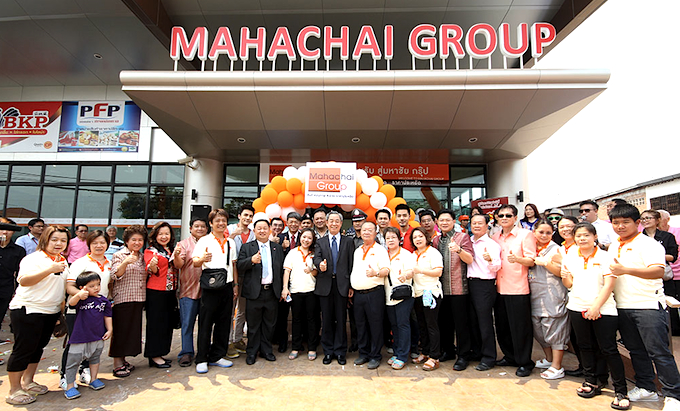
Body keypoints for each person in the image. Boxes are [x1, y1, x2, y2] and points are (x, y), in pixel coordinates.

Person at [608, 204, 680, 410]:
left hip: (647, 306)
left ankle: (673, 395)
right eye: (616, 223)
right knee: (636, 350)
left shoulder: (649, 244)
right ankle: (646, 387)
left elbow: (658, 271)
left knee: (659, 352)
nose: (620, 226)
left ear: (637, 223)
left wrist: (625, 270)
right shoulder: (614, 245)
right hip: (622, 305)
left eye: (625, 222)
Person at [562, 222, 629, 410]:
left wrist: (596, 307)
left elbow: (609, 284)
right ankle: (591, 381)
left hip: (603, 309)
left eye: (586, 235)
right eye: (578, 236)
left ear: (595, 237)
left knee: (608, 349)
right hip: (576, 306)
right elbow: (569, 284)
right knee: (585, 346)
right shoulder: (570, 255)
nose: (582, 239)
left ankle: (621, 391)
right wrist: (564, 275)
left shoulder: (606, 257)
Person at [5, 225, 69, 405]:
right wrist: (49, 269)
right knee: (23, 349)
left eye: (63, 240)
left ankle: (28, 381)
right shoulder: (33, 258)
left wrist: (60, 313)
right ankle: (14, 390)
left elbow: (61, 287)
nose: (58, 243)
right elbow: (24, 280)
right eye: (54, 239)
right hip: (28, 310)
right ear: (45, 240)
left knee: (37, 348)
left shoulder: (62, 260)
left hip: (50, 311)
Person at [61, 230, 111, 389]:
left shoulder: (109, 264)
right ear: (89, 244)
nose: (99, 246)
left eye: (102, 242)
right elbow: (69, 286)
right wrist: (82, 295)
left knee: (93, 343)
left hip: (97, 311)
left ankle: (85, 371)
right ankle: (65, 376)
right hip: (78, 310)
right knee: (74, 343)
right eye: (95, 243)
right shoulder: (80, 263)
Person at [492, 204, 537, 377]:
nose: (504, 218)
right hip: (499, 287)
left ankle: (524, 362)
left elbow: (531, 260)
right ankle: (509, 356)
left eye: (508, 215)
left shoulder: (525, 235)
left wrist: (518, 259)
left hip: (518, 288)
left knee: (520, 328)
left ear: (515, 218)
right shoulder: (495, 237)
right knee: (503, 327)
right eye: (501, 215)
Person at [193, 209, 238, 373]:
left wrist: (235, 285)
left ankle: (217, 355)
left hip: (227, 286)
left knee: (224, 323)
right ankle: (202, 358)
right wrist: (202, 259)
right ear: (211, 223)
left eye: (224, 220)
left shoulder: (230, 242)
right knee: (206, 323)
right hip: (210, 287)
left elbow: (233, 265)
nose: (221, 223)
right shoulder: (204, 241)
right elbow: (195, 262)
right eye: (217, 220)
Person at [237, 217, 284, 365]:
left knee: (269, 324)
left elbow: (281, 270)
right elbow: (239, 265)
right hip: (254, 293)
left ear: (269, 230)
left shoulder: (277, 248)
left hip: (271, 292)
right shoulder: (247, 247)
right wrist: (251, 260)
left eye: (265, 228)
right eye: (259, 228)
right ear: (254, 231)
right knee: (253, 325)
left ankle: (266, 350)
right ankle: (252, 352)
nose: (262, 231)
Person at [433, 209, 474, 371]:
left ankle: (463, 355)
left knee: (461, 324)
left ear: (453, 221)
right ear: (437, 222)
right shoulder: (436, 240)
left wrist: (458, 250)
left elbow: (470, 259)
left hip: (458, 288)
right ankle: (448, 350)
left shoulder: (463, 237)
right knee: (444, 323)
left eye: (447, 220)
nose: (444, 223)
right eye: (441, 220)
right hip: (441, 289)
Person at [313, 210, 354, 365]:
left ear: (341, 223)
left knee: (341, 320)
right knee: (327, 320)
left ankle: (341, 351)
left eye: (337, 221)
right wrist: (320, 265)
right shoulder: (320, 241)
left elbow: (351, 264)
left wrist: (351, 286)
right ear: (327, 223)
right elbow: (316, 258)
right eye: (331, 221)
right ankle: (328, 352)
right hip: (325, 285)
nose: (334, 223)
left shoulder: (348, 241)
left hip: (342, 285)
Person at [63, 271, 112, 400]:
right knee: (73, 362)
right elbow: (71, 303)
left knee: (95, 358)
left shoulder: (103, 300)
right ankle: (69, 386)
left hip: (97, 336)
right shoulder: (81, 300)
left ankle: (93, 379)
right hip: (80, 338)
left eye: (98, 284)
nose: (96, 288)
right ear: (82, 287)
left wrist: (110, 329)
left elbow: (108, 316)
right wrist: (79, 295)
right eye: (92, 286)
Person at [530, 220, 568, 380]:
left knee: (554, 329)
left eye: (548, 233)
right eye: (541, 232)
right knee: (538, 330)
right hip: (535, 295)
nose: (544, 236)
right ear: (534, 232)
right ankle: (549, 359)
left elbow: (561, 272)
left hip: (552, 295)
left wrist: (546, 263)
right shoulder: (531, 248)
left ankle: (557, 366)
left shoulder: (557, 249)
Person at [351, 221, 390, 369]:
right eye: (364, 230)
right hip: (358, 294)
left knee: (375, 325)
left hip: (374, 293)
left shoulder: (380, 250)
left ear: (375, 233)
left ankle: (375, 355)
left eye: (370, 230)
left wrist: (376, 273)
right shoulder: (357, 250)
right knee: (360, 325)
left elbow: (386, 270)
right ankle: (363, 353)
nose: (366, 232)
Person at [109, 225, 147, 378]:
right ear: (126, 241)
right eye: (134, 240)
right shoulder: (119, 255)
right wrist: (125, 262)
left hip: (139, 297)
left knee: (131, 330)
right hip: (123, 298)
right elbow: (115, 275)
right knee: (121, 330)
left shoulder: (143, 256)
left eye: (140, 240)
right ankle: (117, 363)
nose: (137, 243)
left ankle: (123, 360)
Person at [467, 213, 501, 371]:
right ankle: (477, 352)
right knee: (472, 320)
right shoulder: (469, 241)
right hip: (470, 283)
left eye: (480, 223)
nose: (476, 226)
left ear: (487, 225)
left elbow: (497, 267)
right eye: (473, 223)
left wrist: (490, 260)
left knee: (484, 321)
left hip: (485, 285)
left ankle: (489, 357)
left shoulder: (491, 244)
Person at [174, 218, 208, 367]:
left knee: (205, 324)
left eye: (202, 226)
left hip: (207, 291)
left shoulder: (210, 243)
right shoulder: (183, 244)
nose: (200, 229)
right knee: (187, 323)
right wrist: (176, 255)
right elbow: (178, 265)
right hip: (188, 290)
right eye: (196, 226)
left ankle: (203, 351)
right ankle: (186, 352)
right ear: (190, 228)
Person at [144, 221, 178, 369]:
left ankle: (161, 352)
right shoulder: (151, 251)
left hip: (170, 291)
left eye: (167, 234)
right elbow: (150, 268)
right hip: (156, 291)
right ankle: (154, 355)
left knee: (166, 324)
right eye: (161, 234)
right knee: (155, 324)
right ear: (155, 236)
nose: (164, 237)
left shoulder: (171, 250)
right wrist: (152, 265)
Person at [281, 228, 319, 361]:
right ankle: (295, 347)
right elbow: (286, 271)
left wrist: (311, 270)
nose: (306, 240)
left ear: (312, 240)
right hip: (295, 291)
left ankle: (312, 348)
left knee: (312, 320)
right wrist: (285, 288)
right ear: (300, 238)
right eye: (304, 237)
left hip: (311, 291)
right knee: (296, 320)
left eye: (309, 238)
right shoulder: (292, 252)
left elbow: (317, 273)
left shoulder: (315, 253)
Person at [410, 227, 444, 371]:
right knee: (422, 325)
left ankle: (434, 356)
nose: (418, 239)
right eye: (415, 237)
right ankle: (425, 352)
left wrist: (421, 270)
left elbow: (438, 271)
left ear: (426, 237)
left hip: (430, 292)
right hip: (417, 293)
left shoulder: (433, 252)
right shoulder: (413, 254)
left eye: (420, 236)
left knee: (431, 325)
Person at [384, 226, 414, 370]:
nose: (390, 240)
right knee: (394, 325)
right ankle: (397, 352)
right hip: (389, 295)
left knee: (403, 324)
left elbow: (411, 271)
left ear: (399, 239)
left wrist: (405, 275)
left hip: (403, 295)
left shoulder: (406, 254)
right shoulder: (384, 255)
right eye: (388, 238)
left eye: (393, 237)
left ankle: (403, 356)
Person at [227, 204, 255, 358]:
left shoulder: (253, 233)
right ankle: (228, 342)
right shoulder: (229, 229)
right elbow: (222, 246)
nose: (247, 218)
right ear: (239, 216)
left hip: (247, 275)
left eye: (250, 216)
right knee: (230, 310)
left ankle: (237, 339)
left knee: (242, 310)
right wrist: (232, 236)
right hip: (230, 275)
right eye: (245, 215)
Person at [640, 209, 678, 287]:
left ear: (657, 220)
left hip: (664, 274)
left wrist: (655, 256)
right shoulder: (638, 238)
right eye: (642, 219)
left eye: (648, 218)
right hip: (643, 275)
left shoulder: (667, 236)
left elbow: (673, 257)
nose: (645, 221)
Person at [0, 218, 25, 335]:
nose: (5, 232)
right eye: (2, 229)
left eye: (8, 230)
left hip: (5, 287)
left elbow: (20, 272)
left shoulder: (18, 250)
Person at [659, 209, 680, 334]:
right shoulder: (651, 236)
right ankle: (674, 329)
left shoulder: (676, 232)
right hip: (666, 275)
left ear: (667, 219)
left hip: (678, 270)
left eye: (660, 218)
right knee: (670, 303)